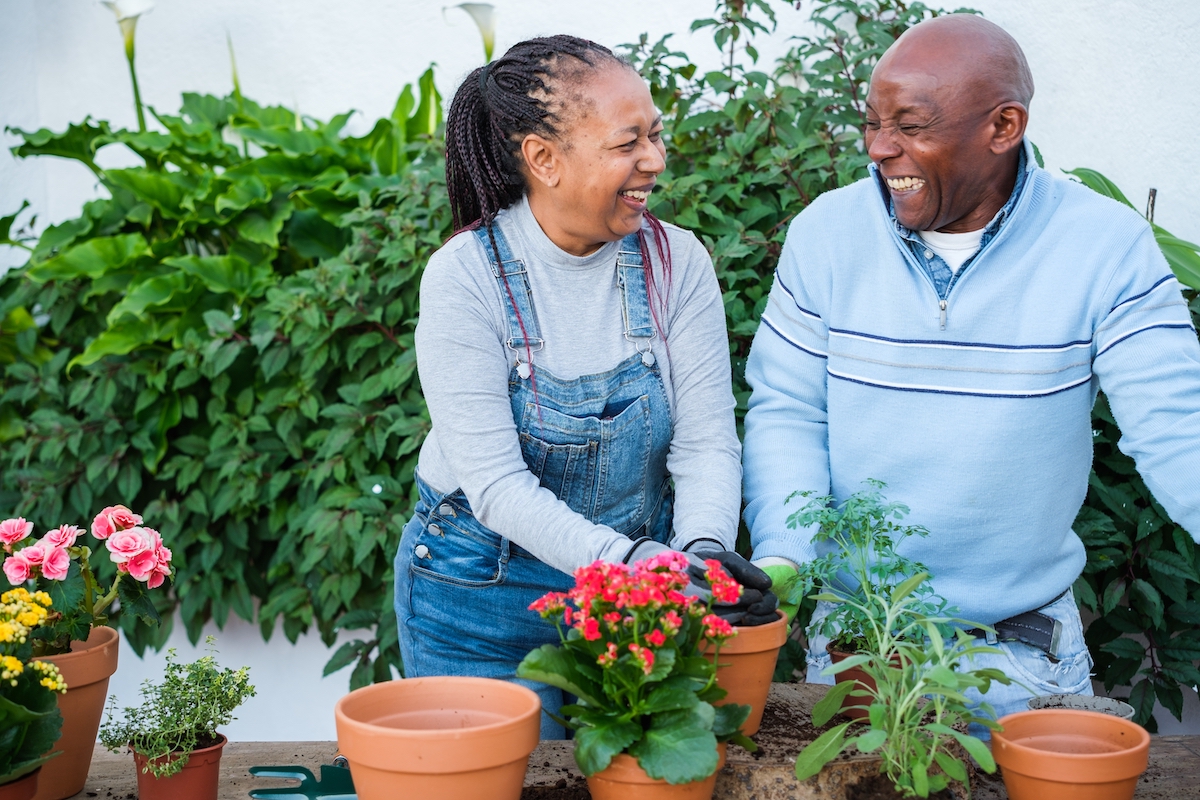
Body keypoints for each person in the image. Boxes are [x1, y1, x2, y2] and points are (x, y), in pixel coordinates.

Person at [742, 13, 1200, 729]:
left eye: (910, 126)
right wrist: (783, 553)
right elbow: (789, 410)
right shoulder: (826, 234)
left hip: (1022, 658)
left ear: (1004, 125)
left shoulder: (1104, 245)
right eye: (872, 122)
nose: (879, 149)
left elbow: (1178, 427)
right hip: (862, 649)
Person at [395, 35, 776, 739]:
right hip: (482, 594)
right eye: (629, 142)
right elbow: (498, 487)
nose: (655, 161)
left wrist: (698, 559)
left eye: (657, 135)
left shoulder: (676, 262)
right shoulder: (466, 277)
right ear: (543, 158)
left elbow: (706, 447)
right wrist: (636, 566)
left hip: (637, 595)